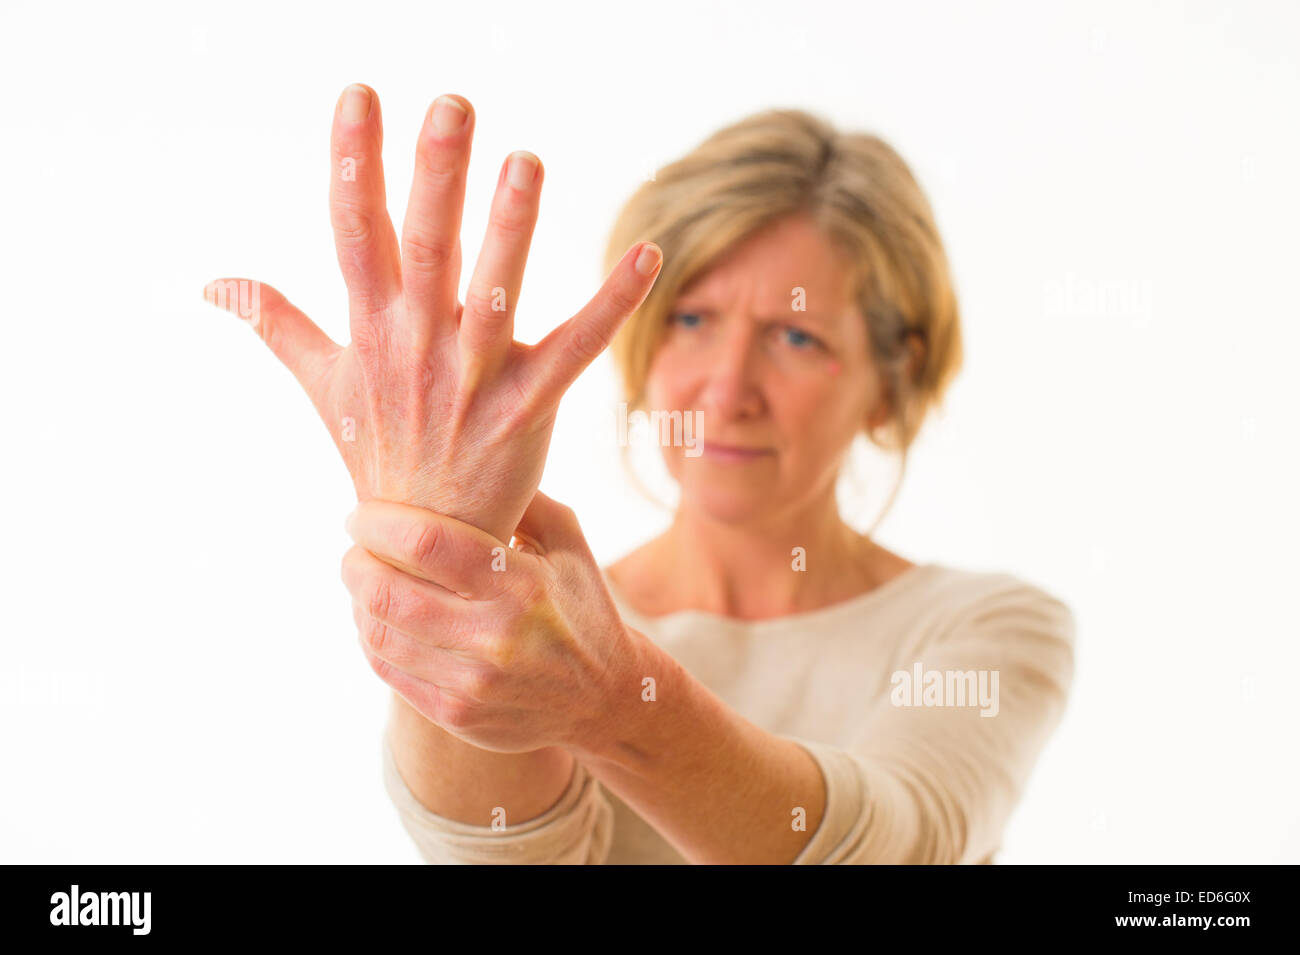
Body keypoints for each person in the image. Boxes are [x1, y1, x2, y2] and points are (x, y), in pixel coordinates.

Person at [205, 85, 1075, 864]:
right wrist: (443, 544)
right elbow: (510, 860)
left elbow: (897, 849)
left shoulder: (987, 629)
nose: (728, 389)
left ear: (893, 379)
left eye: (797, 336)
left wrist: (610, 706)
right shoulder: (533, 630)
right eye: (692, 318)